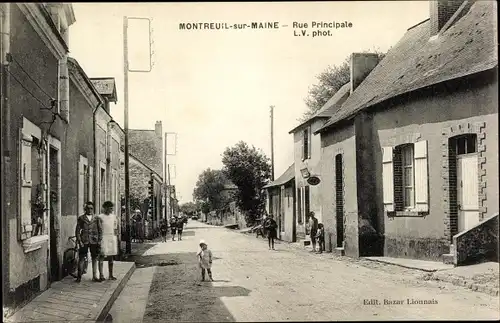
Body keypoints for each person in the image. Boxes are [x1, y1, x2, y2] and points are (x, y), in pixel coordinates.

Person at [75, 201, 102, 283]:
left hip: (94, 241)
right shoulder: (81, 218)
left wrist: (99, 240)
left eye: (91, 208)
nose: (90, 210)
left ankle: (95, 276)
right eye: (88, 208)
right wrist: (79, 241)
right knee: (82, 258)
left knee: (94, 258)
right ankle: (79, 277)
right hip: (84, 240)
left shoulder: (96, 218)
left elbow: (100, 230)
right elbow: (77, 230)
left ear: (93, 209)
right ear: (85, 209)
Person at [97, 201, 118, 281]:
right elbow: (98, 229)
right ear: (105, 208)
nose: (111, 210)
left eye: (112, 208)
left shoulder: (114, 217)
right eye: (110, 208)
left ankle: (111, 275)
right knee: (102, 256)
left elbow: (115, 228)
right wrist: (99, 239)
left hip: (111, 237)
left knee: (111, 257)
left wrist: (115, 238)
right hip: (103, 237)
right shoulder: (100, 217)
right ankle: (101, 275)